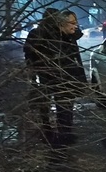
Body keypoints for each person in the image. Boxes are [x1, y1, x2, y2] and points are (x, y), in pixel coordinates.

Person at [32, 9, 86, 146]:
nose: (75, 26)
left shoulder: (67, 36)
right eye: (72, 23)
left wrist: (80, 80)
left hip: (66, 77)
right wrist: (33, 77)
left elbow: (76, 58)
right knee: (47, 107)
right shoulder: (44, 36)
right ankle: (51, 134)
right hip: (49, 76)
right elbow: (32, 57)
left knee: (65, 107)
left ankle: (63, 135)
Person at [23, 8, 60, 143]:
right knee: (47, 100)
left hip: (50, 71)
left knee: (48, 100)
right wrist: (32, 71)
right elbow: (28, 53)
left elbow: (28, 53)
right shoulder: (40, 33)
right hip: (45, 71)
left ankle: (49, 127)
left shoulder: (57, 32)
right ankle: (48, 128)